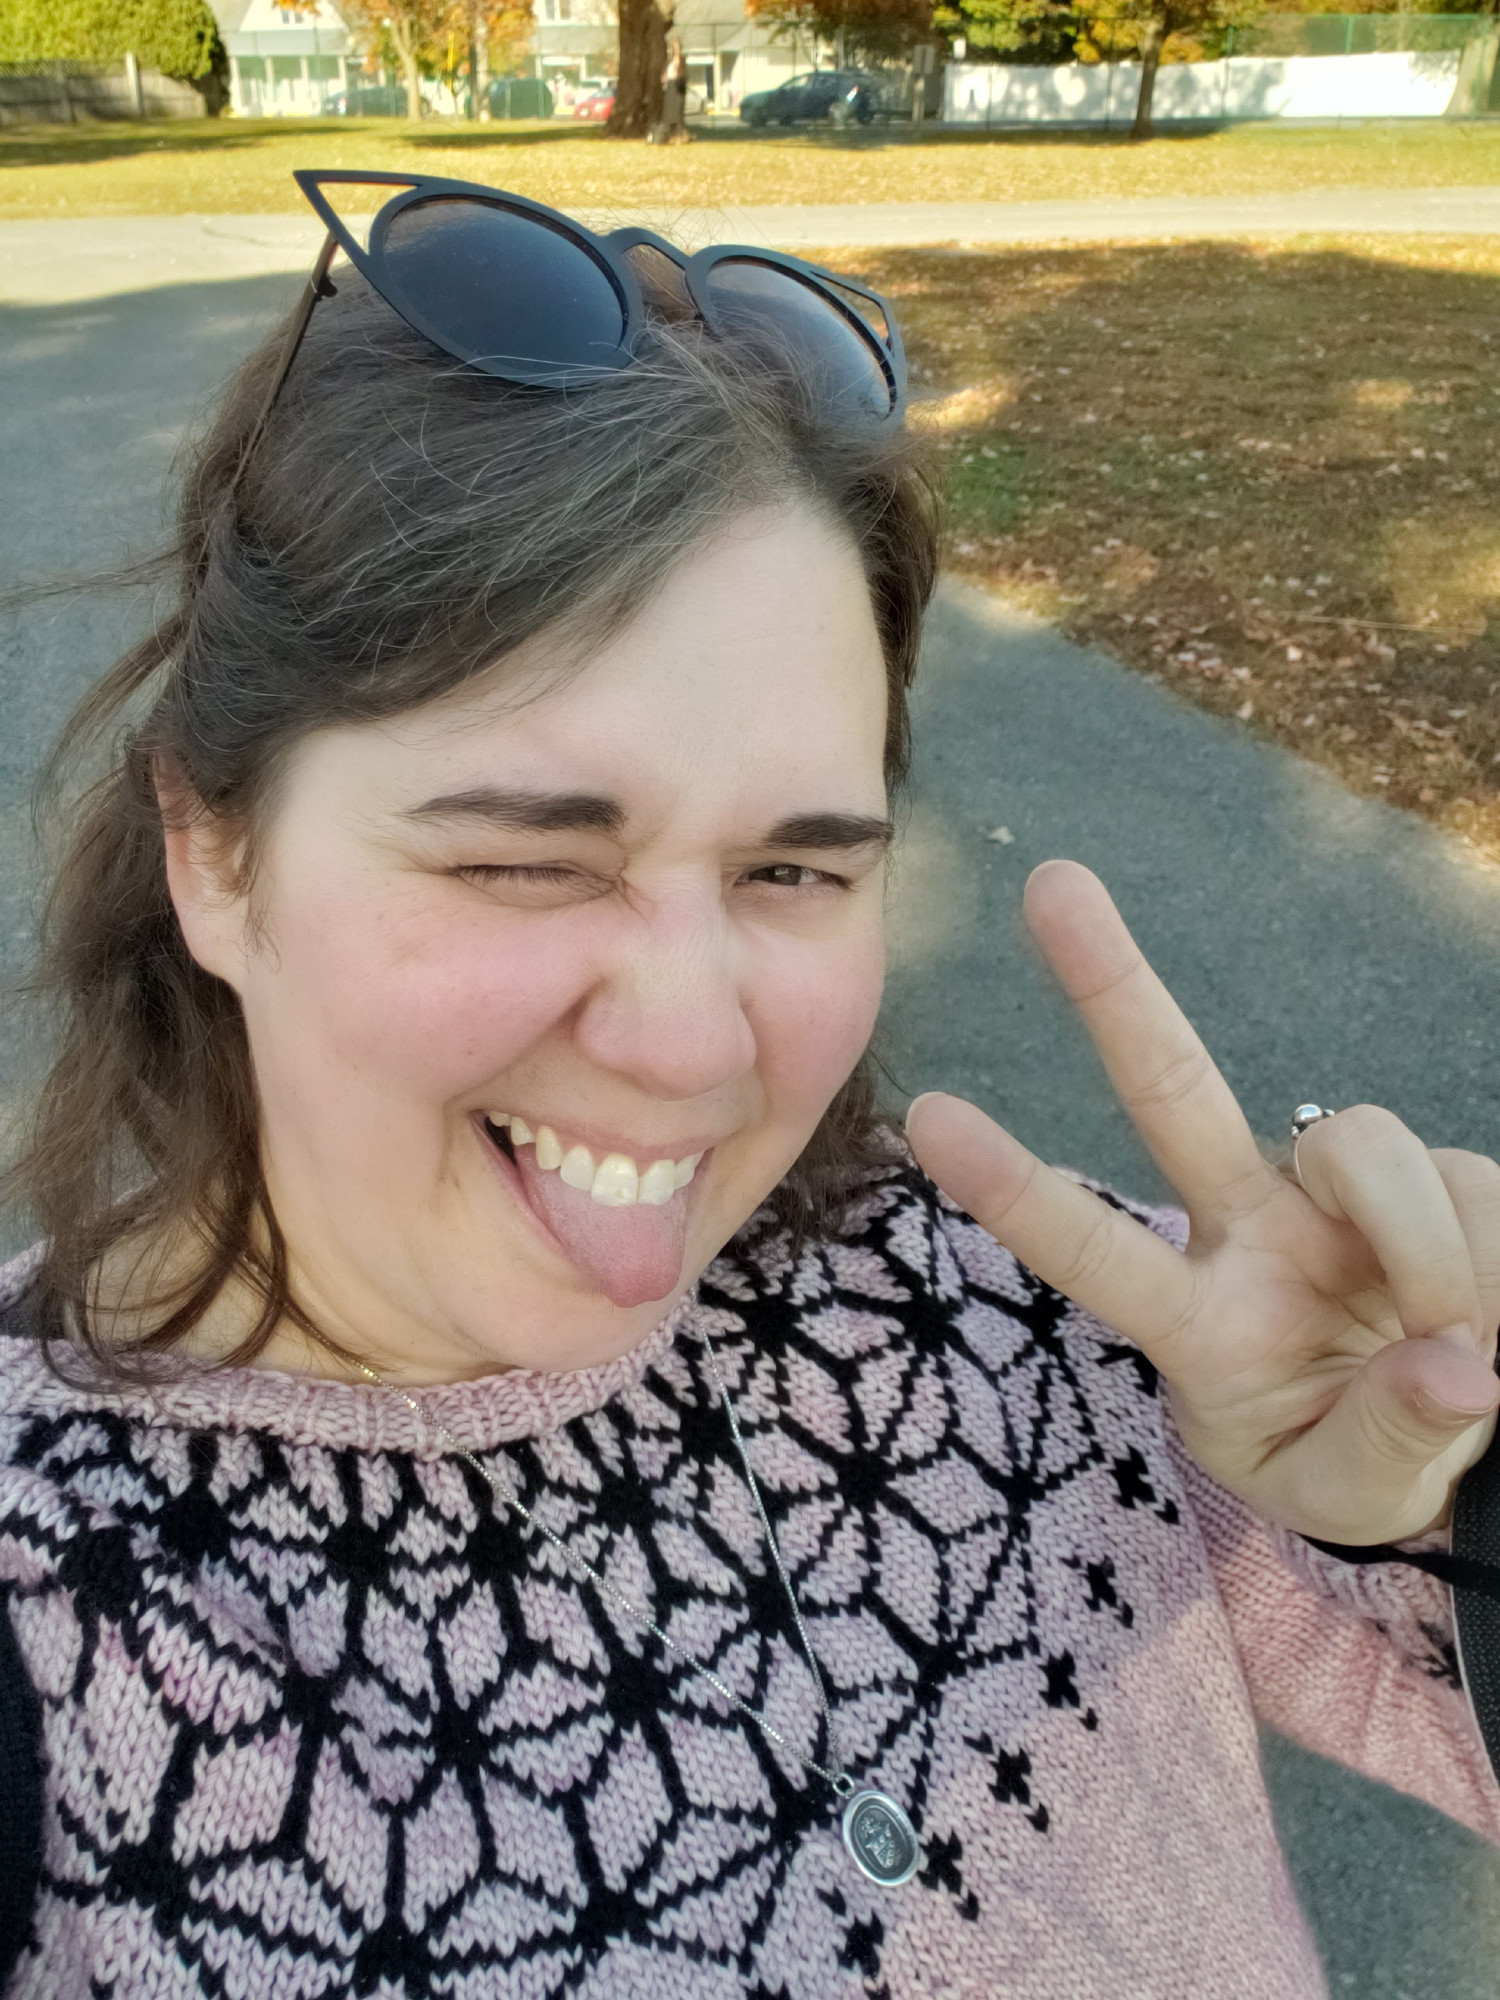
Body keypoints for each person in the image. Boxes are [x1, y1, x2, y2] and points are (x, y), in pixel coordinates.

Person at [1, 169, 1499, 2000]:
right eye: (527, 860)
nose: (700, 1048)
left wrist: (1445, 1504)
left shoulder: (1046, 1312)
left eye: (796, 870)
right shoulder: (51, 1640)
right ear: (211, 850)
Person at [653, 35, 689, 143]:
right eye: (673, 47)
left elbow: (684, 73)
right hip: (669, 87)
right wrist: (664, 77)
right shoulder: (669, 61)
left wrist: (679, 74)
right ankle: (670, 136)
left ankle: (680, 135)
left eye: (676, 46)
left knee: (677, 112)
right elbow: (664, 72)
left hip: (678, 87)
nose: (675, 49)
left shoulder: (682, 60)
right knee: (669, 112)